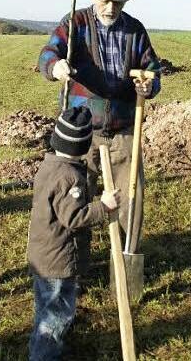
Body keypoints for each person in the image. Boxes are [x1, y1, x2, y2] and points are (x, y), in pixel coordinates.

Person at [38, 0, 161, 253]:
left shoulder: (135, 30)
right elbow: (47, 54)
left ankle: (127, 255)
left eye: (117, 2)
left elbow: (152, 69)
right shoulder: (75, 23)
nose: (110, 8)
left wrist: (149, 85)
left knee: (132, 199)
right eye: (105, 0)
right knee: (77, 198)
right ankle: (75, 265)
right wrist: (56, 67)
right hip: (81, 135)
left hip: (123, 130)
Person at [27, 106, 121, 360]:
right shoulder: (70, 179)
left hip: (42, 254)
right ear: (83, 146)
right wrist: (104, 207)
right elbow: (74, 217)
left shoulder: (49, 167)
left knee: (46, 307)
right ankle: (45, 354)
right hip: (58, 259)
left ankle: (46, 346)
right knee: (57, 311)